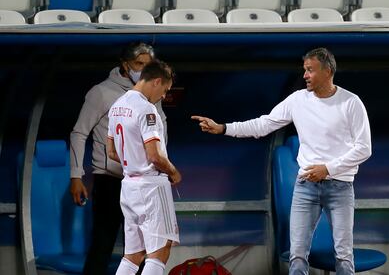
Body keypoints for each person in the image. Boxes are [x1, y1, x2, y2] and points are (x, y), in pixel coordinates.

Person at [191, 48, 371, 275]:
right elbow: (263, 124)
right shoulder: (297, 100)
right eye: (304, 70)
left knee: (344, 256)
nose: (305, 75)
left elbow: (364, 148)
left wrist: (327, 168)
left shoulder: (350, 102)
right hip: (306, 186)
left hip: (340, 187)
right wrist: (224, 128)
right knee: (297, 255)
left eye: (310, 70)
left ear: (327, 71)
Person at [70, 42, 167, 275]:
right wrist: (76, 175)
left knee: (144, 247)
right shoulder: (102, 92)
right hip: (110, 181)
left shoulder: (152, 94)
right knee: (103, 245)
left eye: (148, 65)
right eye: (138, 64)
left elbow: (160, 131)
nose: (143, 70)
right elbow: (79, 132)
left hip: (143, 182)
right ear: (125, 65)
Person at [107, 59, 181, 275]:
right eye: (165, 90)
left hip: (128, 186)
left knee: (133, 255)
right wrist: (174, 172)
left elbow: (111, 152)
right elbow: (155, 156)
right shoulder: (147, 110)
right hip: (151, 186)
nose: (164, 96)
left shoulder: (116, 106)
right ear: (157, 81)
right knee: (160, 251)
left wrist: (134, 161)